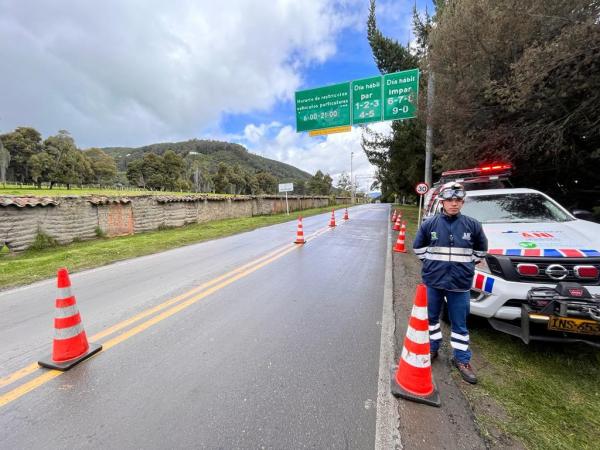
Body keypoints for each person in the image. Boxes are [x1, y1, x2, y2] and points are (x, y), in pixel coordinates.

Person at [412, 182, 488, 384]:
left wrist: (465, 266)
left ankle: (462, 359)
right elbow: (418, 247)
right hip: (434, 281)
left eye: (458, 201)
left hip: (460, 284)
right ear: (443, 202)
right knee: (431, 319)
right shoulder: (430, 223)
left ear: (462, 203)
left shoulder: (473, 225)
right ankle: (432, 348)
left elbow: (481, 250)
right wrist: (430, 263)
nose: (454, 204)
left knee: (460, 323)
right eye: (450, 200)